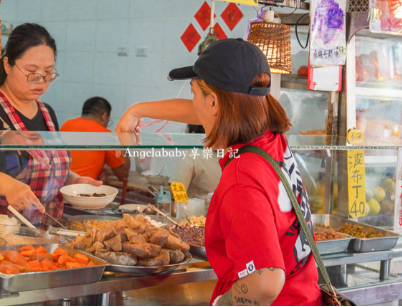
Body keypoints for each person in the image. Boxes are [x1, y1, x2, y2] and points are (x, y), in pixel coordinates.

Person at [117, 38, 320, 306]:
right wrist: (137, 110)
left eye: (193, 93)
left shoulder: (242, 178)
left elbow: (266, 282)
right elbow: (205, 111)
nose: (193, 103)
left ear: (213, 102)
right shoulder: (271, 138)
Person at [0, 23, 100, 223]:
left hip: (48, 232)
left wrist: (74, 181)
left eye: (48, 73)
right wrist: (8, 186)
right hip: (0, 236)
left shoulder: (47, 113)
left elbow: (47, 164)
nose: (41, 81)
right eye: (31, 71)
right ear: (8, 64)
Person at [60, 97, 130, 182]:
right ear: (103, 116)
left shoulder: (66, 125)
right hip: (84, 190)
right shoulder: (105, 134)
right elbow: (123, 175)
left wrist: (101, 169)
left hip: (60, 187)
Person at [170, 125, 221, 199]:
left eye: (185, 131)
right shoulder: (227, 153)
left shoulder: (191, 156)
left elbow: (176, 192)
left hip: (198, 209)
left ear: (193, 134)